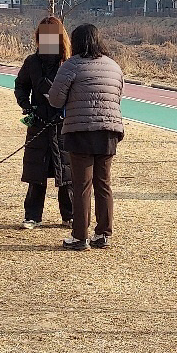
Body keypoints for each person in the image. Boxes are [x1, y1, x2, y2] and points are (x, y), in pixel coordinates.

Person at [48, 24, 124, 251]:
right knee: (104, 184)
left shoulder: (71, 65)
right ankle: (103, 234)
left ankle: (80, 236)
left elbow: (55, 100)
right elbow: (118, 96)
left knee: (82, 185)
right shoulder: (113, 66)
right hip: (109, 130)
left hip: (80, 130)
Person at [14, 16, 74, 230]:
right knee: (35, 174)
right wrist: (27, 106)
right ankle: (32, 216)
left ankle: (70, 216)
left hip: (63, 125)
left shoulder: (68, 62)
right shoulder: (32, 62)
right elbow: (20, 86)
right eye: (43, 36)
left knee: (66, 174)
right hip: (39, 124)